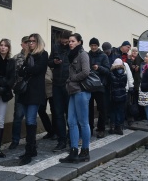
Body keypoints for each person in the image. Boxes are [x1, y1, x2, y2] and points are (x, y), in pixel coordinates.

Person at [59, 33, 92, 163]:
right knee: (71, 121)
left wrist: (72, 78)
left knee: (83, 122)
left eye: (73, 41)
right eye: (69, 41)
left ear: (79, 42)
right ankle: (73, 152)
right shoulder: (71, 54)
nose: (70, 43)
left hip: (81, 91)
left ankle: (85, 151)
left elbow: (86, 72)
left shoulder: (83, 54)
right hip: (72, 91)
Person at [17, 33, 49, 165]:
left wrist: (26, 69)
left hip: (36, 92)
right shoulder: (28, 55)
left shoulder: (43, 54)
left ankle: (29, 151)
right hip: (25, 92)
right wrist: (27, 69)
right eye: (29, 41)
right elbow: (20, 71)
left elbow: (38, 70)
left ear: (38, 42)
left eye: (33, 41)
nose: (30, 43)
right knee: (27, 119)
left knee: (30, 119)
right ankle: (32, 148)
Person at [47, 30, 71, 152]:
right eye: (64, 41)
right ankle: (61, 140)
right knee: (58, 113)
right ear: (60, 39)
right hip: (56, 84)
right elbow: (49, 61)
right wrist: (54, 62)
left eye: (67, 41)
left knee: (69, 113)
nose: (65, 43)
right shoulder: (56, 47)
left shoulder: (72, 49)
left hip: (68, 85)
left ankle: (71, 138)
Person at [87, 37, 110, 138]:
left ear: (98, 46)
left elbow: (107, 70)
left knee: (102, 108)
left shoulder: (103, 56)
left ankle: (101, 129)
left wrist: (99, 68)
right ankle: (89, 129)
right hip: (89, 85)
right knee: (89, 109)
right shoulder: (87, 55)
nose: (93, 47)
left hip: (100, 85)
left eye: (95, 45)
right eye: (92, 45)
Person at [9, 36, 29, 150]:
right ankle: (15, 140)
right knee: (18, 116)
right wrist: (14, 86)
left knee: (30, 117)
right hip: (20, 90)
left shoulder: (34, 56)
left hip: (31, 91)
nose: (27, 44)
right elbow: (12, 74)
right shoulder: (16, 57)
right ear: (22, 44)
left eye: (29, 42)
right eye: (25, 43)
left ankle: (30, 140)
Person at [109, 58, 133, 134]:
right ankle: (120, 128)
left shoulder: (111, 74)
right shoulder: (124, 74)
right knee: (121, 111)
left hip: (113, 95)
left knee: (113, 111)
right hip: (123, 95)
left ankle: (112, 127)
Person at [127, 47, 144, 123]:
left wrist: (138, 67)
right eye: (133, 51)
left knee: (140, 100)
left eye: (136, 51)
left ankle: (141, 115)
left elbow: (144, 67)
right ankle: (137, 115)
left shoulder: (141, 57)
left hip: (139, 82)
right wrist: (132, 65)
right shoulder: (130, 58)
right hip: (133, 82)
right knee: (135, 100)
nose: (134, 52)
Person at [38, 66, 55, 140]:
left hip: (51, 89)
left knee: (54, 111)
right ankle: (50, 131)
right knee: (41, 110)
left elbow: (49, 78)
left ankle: (56, 132)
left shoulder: (46, 60)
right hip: (41, 91)